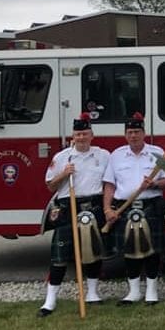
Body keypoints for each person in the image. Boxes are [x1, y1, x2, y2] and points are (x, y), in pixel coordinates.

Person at [37, 113, 110, 317]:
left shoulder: (103, 155)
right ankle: (50, 301)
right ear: (73, 136)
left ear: (92, 135)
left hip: (93, 205)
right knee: (60, 255)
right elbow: (50, 185)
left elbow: (109, 182)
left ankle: (92, 294)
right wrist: (64, 173)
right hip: (68, 205)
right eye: (78, 134)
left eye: (85, 134)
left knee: (92, 250)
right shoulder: (62, 157)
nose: (81, 138)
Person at [103, 112, 165, 306]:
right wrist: (107, 209)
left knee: (152, 251)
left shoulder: (158, 152)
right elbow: (109, 185)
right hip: (125, 207)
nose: (133, 135)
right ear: (125, 135)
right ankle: (133, 292)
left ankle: (151, 291)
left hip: (150, 207)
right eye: (130, 132)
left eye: (137, 132)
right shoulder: (116, 155)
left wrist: (155, 184)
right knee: (129, 250)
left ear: (144, 133)